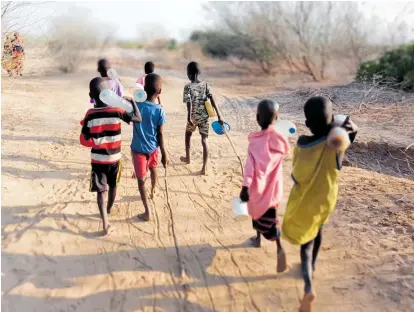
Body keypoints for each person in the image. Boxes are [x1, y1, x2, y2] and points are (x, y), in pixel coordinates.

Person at [281, 96, 358, 312]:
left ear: (307, 124)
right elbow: (351, 127)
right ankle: (312, 266)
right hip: (326, 201)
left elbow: (296, 174)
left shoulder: (302, 144)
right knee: (318, 229)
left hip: (305, 200)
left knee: (305, 243)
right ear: (331, 119)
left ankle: (308, 287)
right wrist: (337, 124)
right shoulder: (336, 146)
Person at [80, 77, 142, 235]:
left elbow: (83, 138)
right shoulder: (117, 110)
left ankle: (105, 222)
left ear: (90, 95)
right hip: (115, 158)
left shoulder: (90, 113)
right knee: (113, 186)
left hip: (98, 160)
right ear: (110, 93)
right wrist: (133, 102)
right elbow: (137, 118)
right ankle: (109, 208)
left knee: (101, 191)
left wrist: (94, 137)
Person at [239, 99, 289, 273]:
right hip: (273, 190)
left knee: (255, 213)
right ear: (277, 118)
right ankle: (277, 247)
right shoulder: (280, 141)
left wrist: (245, 187)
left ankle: (261, 239)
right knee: (271, 218)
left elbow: (250, 169)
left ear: (257, 118)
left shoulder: (254, 142)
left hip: (257, 189)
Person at [130, 73, 167, 221]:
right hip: (153, 149)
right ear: (159, 92)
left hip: (138, 150)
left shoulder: (137, 106)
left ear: (144, 89)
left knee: (140, 180)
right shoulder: (159, 110)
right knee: (153, 169)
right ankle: (153, 189)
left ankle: (147, 212)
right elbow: (160, 134)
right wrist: (164, 154)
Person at [180, 61, 223, 175]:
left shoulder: (187, 87)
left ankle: (188, 157)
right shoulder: (205, 85)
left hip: (193, 117)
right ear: (198, 73)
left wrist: (189, 118)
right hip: (204, 117)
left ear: (189, 73)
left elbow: (188, 104)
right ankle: (204, 168)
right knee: (204, 140)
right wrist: (219, 115)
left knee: (188, 135)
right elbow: (212, 100)